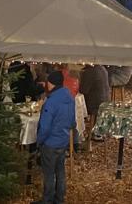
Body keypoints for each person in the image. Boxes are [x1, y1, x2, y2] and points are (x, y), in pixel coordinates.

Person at [34, 70, 76, 204]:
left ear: (50, 83)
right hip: (62, 141)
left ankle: (47, 200)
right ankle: (59, 199)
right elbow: (72, 122)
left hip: (50, 143)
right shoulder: (70, 98)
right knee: (60, 172)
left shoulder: (50, 102)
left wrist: (39, 141)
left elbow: (45, 127)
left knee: (49, 174)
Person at [79, 64, 111, 139]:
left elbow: (83, 90)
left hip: (95, 105)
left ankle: (79, 133)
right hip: (105, 102)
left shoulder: (90, 72)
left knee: (75, 107)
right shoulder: (102, 68)